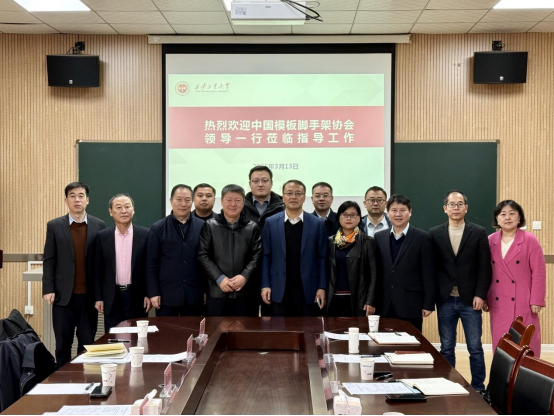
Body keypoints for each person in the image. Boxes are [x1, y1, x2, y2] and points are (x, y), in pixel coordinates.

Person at [430, 191, 492, 392]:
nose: (455, 208)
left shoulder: (478, 232)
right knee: (447, 347)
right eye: (451, 204)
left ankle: (478, 388)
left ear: (466, 208)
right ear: (445, 208)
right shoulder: (435, 233)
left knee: (475, 347)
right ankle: (449, 385)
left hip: (470, 299)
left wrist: (481, 294)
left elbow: (484, 267)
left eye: (459, 204)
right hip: (445, 299)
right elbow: (432, 268)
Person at [42, 182, 105, 367]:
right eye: (72, 196)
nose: (77, 199)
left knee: (86, 346)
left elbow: (101, 263)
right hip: (63, 297)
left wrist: (100, 295)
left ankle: (84, 380)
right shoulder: (55, 225)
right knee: (63, 345)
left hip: (88, 298)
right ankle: (62, 381)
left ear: (87, 200)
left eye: (81, 196)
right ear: (66, 200)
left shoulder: (99, 225)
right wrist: (48, 288)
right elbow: (49, 259)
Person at [485, 200, 546, 356]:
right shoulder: (490, 240)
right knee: (502, 344)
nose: (507, 218)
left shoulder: (529, 239)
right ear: (497, 218)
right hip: (498, 302)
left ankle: (527, 372)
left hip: (523, 300)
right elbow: (484, 271)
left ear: (519, 217)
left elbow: (538, 271)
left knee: (526, 343)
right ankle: (503, 373)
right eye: (503, 214)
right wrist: (484, 297)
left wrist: (536, 300)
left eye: (512, 214)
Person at [261, 180, 328, 317]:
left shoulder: (317, 223)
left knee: (308, 329)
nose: (293, 197)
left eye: (298, 193)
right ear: (283, 197)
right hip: (278, 288)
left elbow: (322, 257)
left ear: (304, 197)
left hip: (308, 289)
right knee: (279, 329)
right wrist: (265, 284)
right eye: (289, 193)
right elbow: (266, 256)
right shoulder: (270, 222)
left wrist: (322, 287)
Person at [374, 195, 435, 332]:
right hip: (384, 303)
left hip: (411, 304)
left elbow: (429, 273)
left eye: (402, 210)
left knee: (411, 343)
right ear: (387, 212)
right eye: (394, 210)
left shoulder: (422, 238)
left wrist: (428, 304)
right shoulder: (379, 237)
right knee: (383, 342)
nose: (398, 214)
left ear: (410, 211)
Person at [198, 185, 262, 317]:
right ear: (222, 201)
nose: (233, 204)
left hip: (245, 293)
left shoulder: (252, 227)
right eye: (229, 200)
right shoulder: (210, 225)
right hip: (217, 292)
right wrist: (219, 278)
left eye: (238, 200)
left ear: (243, 203)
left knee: (246, 330)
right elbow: (203, 255)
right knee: (216, 329)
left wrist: (244, 276)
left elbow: (257, 255)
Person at [94, 194, 151, 334]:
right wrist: (98, 297)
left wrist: (148, 293)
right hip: (112, 297)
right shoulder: (102, 237)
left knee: (138, 339)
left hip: (137, 296)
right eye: (118, 207)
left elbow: (149, 267)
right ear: (110, 211)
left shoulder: (145, 234)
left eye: (127, 206)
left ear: (133, 210)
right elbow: (97, 270)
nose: (123, 211)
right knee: (113, 339)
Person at [145, 184, 205, 317]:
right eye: (179, 199)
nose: (183, 204)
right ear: (171, 201)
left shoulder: (202, 226)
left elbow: (206, 260)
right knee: (166, 330)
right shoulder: (158, 228)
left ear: (192, 201)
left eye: (187, 200)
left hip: (194, 294)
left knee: (192, 330)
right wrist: (153, 293)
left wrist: (206, 290)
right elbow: (151, 264)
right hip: (166, 295)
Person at [326, 201, 377, 317]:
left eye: (353, 215)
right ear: (339, 217)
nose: (349, 218)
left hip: (358, 299)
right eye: (345, 214)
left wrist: (370, 300)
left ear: (359, 218)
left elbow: (374, 273)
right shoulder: (330, 242)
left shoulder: (367, 241)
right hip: (333, 298)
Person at [242, 166, 285, 233]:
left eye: (265, 180)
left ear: (271, 183)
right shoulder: (240, 205)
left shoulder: (283, 206)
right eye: (255, 181)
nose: (260, 184)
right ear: (250, 184)